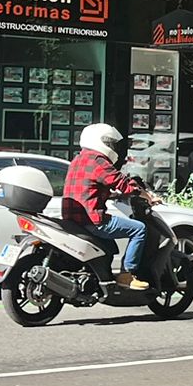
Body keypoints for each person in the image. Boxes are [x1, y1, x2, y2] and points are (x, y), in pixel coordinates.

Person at [63, 122, 152, 290]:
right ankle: (127, 274)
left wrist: (112, 195)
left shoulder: (78, 159)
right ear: (100, 141)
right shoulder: (97, 160)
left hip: (73, 218)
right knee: (139, 229)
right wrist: (144, 194)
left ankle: (101, 277)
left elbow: (88, 188)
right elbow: (119, 181)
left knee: (109, 247)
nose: (112, 147)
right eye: (110, 143)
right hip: (92, 218)